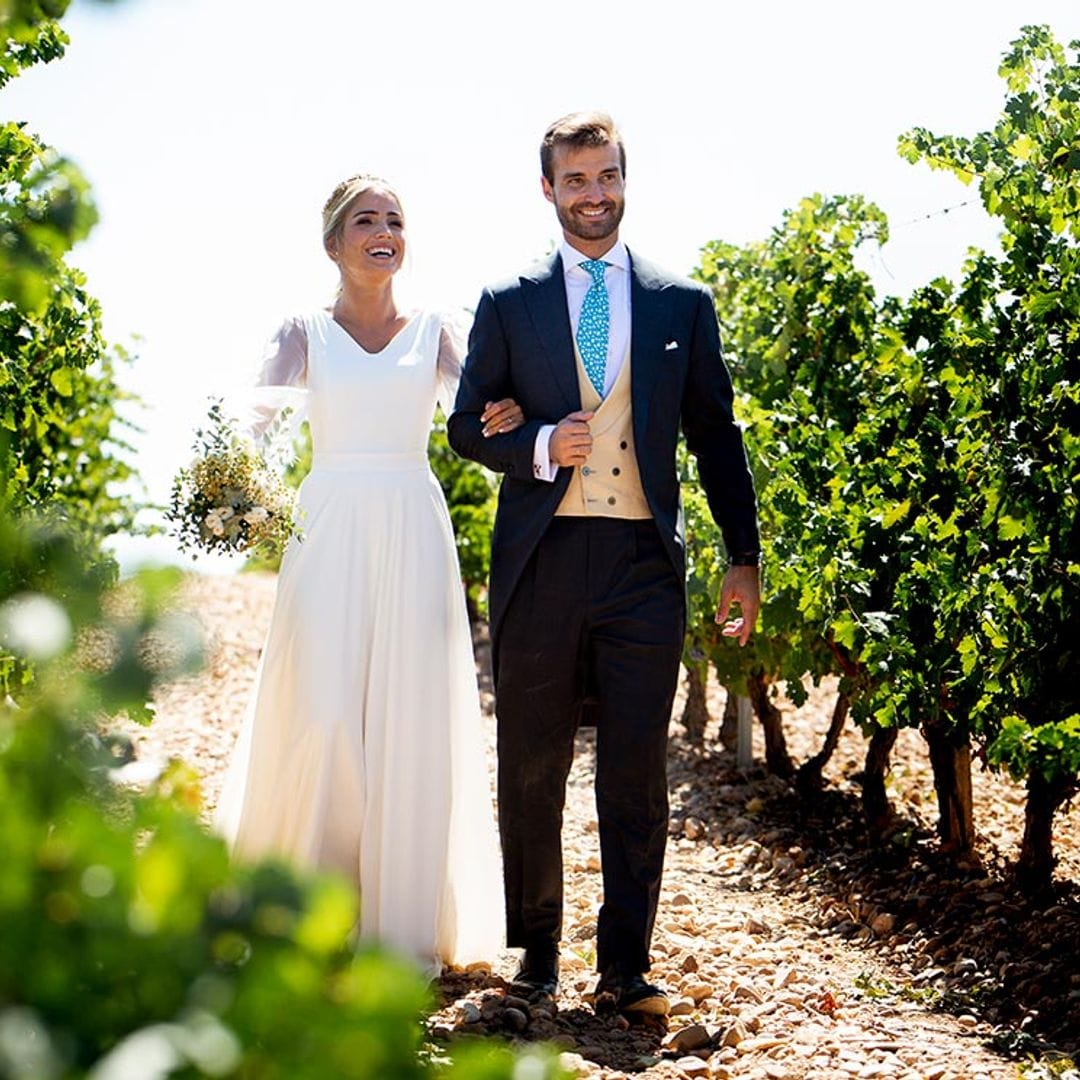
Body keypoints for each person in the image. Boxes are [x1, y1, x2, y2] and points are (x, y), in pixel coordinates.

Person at [448, 113, 761, 1017]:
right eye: (576, 180)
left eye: (607, 176)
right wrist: (543, 441)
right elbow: (469, 427)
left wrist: (743, 556)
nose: (594, 194)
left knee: (635, 771)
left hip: (641, 563)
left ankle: (624, 967)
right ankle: (535, 956)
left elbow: (716, 435)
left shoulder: (680, 303)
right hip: (542, 560)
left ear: (627, 180)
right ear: (547, 189)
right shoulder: (508, 302)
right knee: (532, 766)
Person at [214, 175, 519, 975]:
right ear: (333, 243)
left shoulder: (438, 331)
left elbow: (486, 404)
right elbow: (249, 423)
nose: (383, 232)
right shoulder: (303, 331)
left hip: (413, 526)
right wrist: (233, 488)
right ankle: (306, 909)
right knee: (320, 709)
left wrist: (512, 416)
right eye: (365, 221)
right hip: (330, 524)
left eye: (395, 220)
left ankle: (399, 924)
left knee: (408, 715)